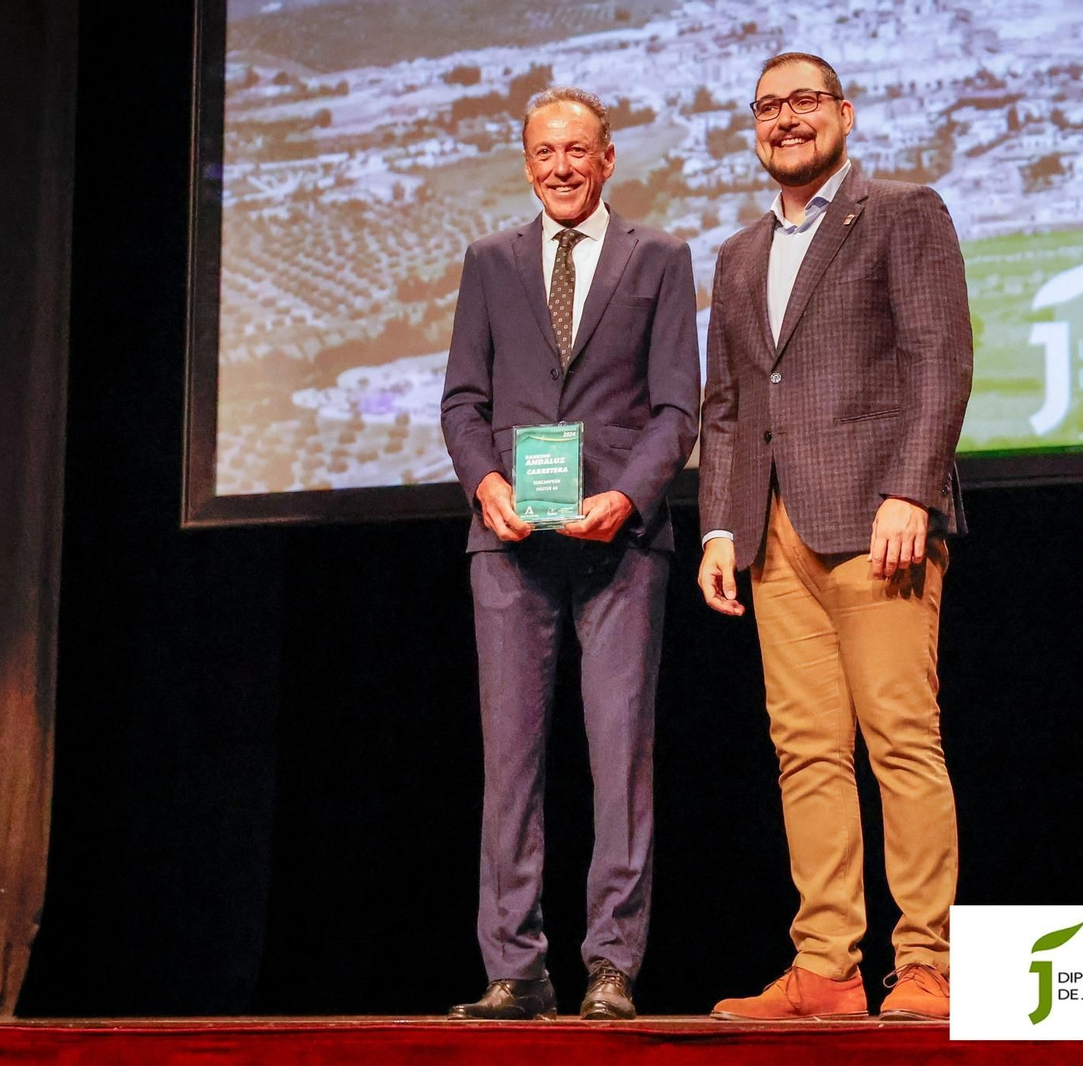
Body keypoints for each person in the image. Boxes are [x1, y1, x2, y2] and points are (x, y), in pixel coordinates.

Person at [697, 53, 974, 1022]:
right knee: (805, 751)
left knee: (901, 739)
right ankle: (825, 966)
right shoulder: (735, 254)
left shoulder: (903, 212)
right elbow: (726, 405)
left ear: (844, 114)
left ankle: (926, 964)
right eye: (768, 108)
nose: (786, 120)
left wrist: (911, 490)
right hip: (775, 536)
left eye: (804, 102)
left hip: (877, 522)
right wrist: (720, 528)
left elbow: (940, 361)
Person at [441, 86, 699, 1021]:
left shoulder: (659, 259)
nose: (560, 166)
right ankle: (516, 969)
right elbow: (462, 403)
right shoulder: (490, 261)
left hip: (621, 545)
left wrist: (627, 495)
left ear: (607, 159)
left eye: (577, 150)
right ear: (526, 162)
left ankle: (611, 968)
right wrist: (487, 485)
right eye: (544, 151)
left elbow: (678, 407)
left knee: (619, 755)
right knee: (510, 762)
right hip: (509, 545)